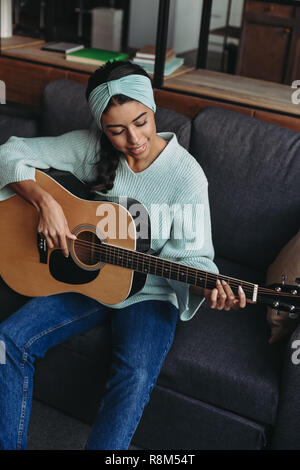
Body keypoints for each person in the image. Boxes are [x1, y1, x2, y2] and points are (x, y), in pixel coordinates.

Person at [0, 60, 246, 450]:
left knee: (135, 374)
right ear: (102, 128)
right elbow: (9, 152)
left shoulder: (186, 176)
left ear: (153, 107)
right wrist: (43, 200)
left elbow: (195, 258)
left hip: (150, 293)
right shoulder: (88, 147)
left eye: (141, 122)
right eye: (116, 130)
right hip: (86, 280)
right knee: (8, 341)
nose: (133, 139)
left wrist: (209, 286)